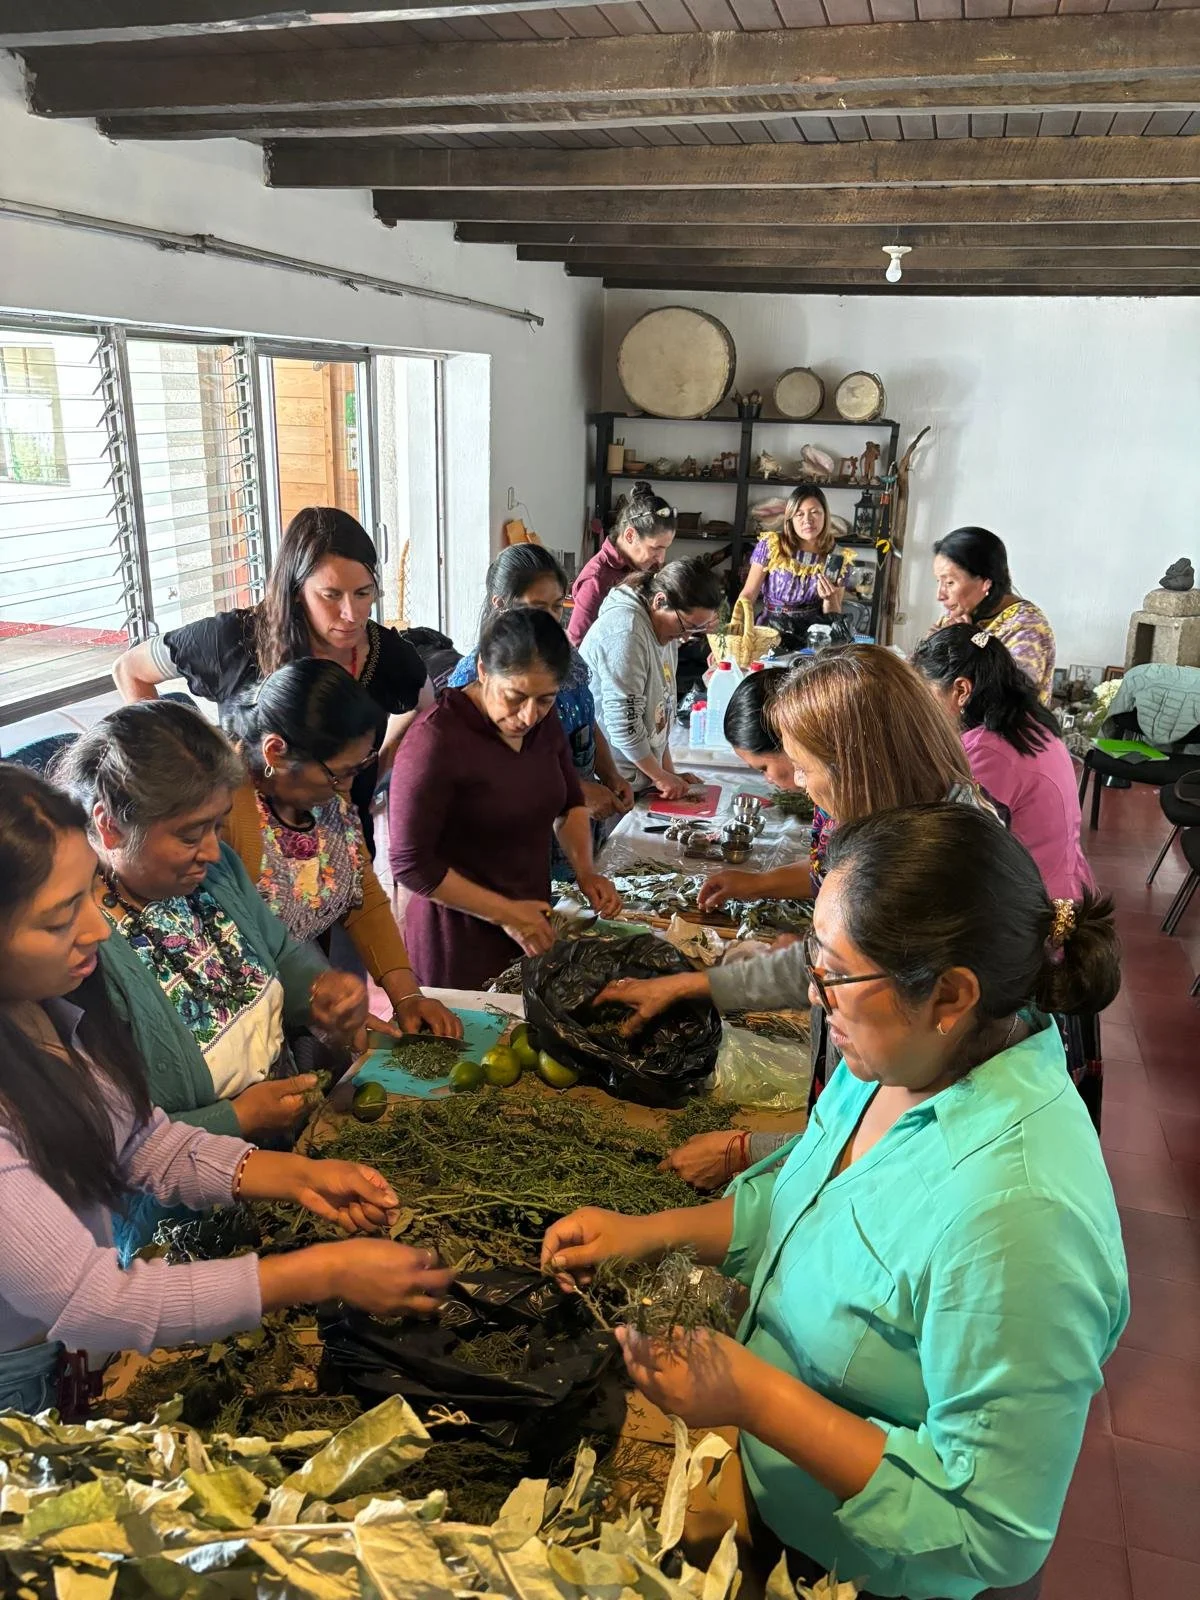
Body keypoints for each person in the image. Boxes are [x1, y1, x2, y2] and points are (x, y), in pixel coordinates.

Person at [544, 804, 1126, 1600]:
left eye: (838, 974)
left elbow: (991, 1529)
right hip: (790, 1516)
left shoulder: (1019, 1216)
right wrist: (650, 1232)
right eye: (815, 961)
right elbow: (804, 1206)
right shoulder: (897, 1060)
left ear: (949, 996)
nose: (817, 999)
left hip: (877, 1575)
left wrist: (752, 1394)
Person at [0, 767, 453, 1416]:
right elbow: (96, 1301)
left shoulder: (48, 1010)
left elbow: (142, 1145)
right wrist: (319, 1273)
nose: (98, 931)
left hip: (75, 1361)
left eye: (88, 899)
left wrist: (295, 1175)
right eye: (59, 917)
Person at [601, 646, 1000, 1187]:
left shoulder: (933, 867)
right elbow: (829, 968)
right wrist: (692, 984)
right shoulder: (897, 832)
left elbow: (905, 1141)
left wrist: (756, 1150)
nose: (800, 787)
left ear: (856, 763)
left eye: (804, 768)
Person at [53, 701, 368, 1143]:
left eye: (217, 826)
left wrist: (320, 991)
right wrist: (233, 1120)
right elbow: (110, 1139)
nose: (213, 852)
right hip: (195, 1194)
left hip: (280, 1147)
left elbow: (277, 952)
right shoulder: (79, 950)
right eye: (189, 835)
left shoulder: (215, 874)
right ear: (110, 827)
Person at [111, 507, 431, 851]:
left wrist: (377, 766)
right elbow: (129, 669)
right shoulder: (233, 639)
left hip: (346, 844)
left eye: (364, 594)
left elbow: (428, 711)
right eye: (331, 595)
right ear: (296, 589)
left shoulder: (388, 655)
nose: (351, 614)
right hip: (244, 844)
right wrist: (174, 782)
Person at [222, 659, 461, 1039]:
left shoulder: (326, 799)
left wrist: (407, 996)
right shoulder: (225, 815)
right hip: (242, 1021)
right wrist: (314, 996)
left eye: (357, 769)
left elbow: (361, 894)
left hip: (304, 1002)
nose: (346, 788)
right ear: (275, 753)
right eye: (340, 772)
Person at [388, 609, 621, 989]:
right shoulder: (436, 739)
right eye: (515, 697)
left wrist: (585, 871)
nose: (528, 715)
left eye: (545, 700)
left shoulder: (543, 723)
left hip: (529, 924)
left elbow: (569, 803)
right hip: (460, 939)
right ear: (482, 670)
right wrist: (505, 914)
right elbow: (411, 865)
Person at [446, 545, 634, 853]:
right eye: (537, 607)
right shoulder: (478, 679)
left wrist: (611, 774)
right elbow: (497, 772)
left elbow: (585, 720)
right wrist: (576, 792)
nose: (550, 620)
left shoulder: (565, 657)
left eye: (557, 607)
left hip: (575, 823)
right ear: (501, 605)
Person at [912, 624, 1093, 902]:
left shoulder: (989, 755)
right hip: (1066, 880)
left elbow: (956, 845)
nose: (923, 710)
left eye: (925, 696)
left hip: (1033, 904)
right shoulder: (1027, 720)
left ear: (961, 689)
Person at [580, 557, 723, 800]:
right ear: (659, 601)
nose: (686, 637)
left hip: (637, 773)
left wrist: (669, 773)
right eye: (685, 626)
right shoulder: (627, 632)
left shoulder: (664, 630)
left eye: (696, 630)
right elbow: (623, 724)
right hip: (613, 780)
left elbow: (662, 711)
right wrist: (659, 776)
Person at [930, 527, 1056, 705]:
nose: (940, 595)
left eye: (950, 582)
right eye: (939, 581)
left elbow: (1008, 701)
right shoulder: (957, 616)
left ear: (985, 581)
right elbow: (921, 675)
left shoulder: (1026, 626)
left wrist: (966, 644)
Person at [737, 484, 848, 649]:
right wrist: (737, 629)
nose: (807, 520)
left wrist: (829, 599)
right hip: (770, 632)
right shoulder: (772, 545)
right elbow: (748, 594)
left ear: (825, 515)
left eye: (815, 512)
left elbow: (833, 616)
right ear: (790, 518)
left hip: (812, 637)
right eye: (799, 514)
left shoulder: (837, 557)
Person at [567, 482, 677, 646]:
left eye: (665, 548)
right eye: (656, 548)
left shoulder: (647, 566)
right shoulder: (597, 579)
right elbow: (577, 645)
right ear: (630, 535)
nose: (661, 559)